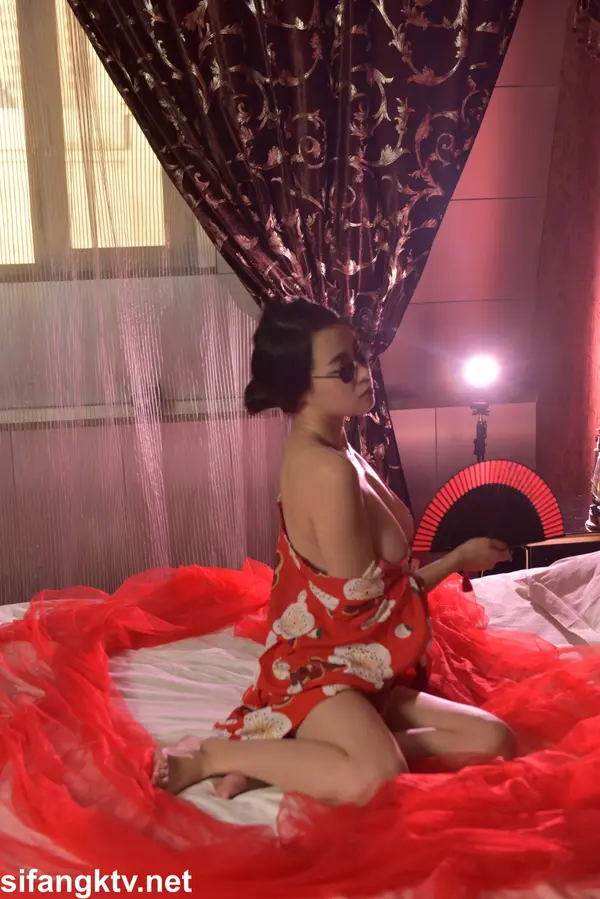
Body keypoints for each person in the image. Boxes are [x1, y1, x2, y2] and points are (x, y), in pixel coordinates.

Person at [152, 300, 515, 804]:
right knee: (377, 779)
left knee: (494, 741)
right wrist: (454, 562)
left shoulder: (343, 449)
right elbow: (367, 608)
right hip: (322, 667)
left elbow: (372, 597)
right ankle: (213, 755)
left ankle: (288, 757)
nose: (364, 373)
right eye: (344, 369)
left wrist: (452, 562)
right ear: (301, 387)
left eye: (359, 357)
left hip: (360, 662)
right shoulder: (327, 469)